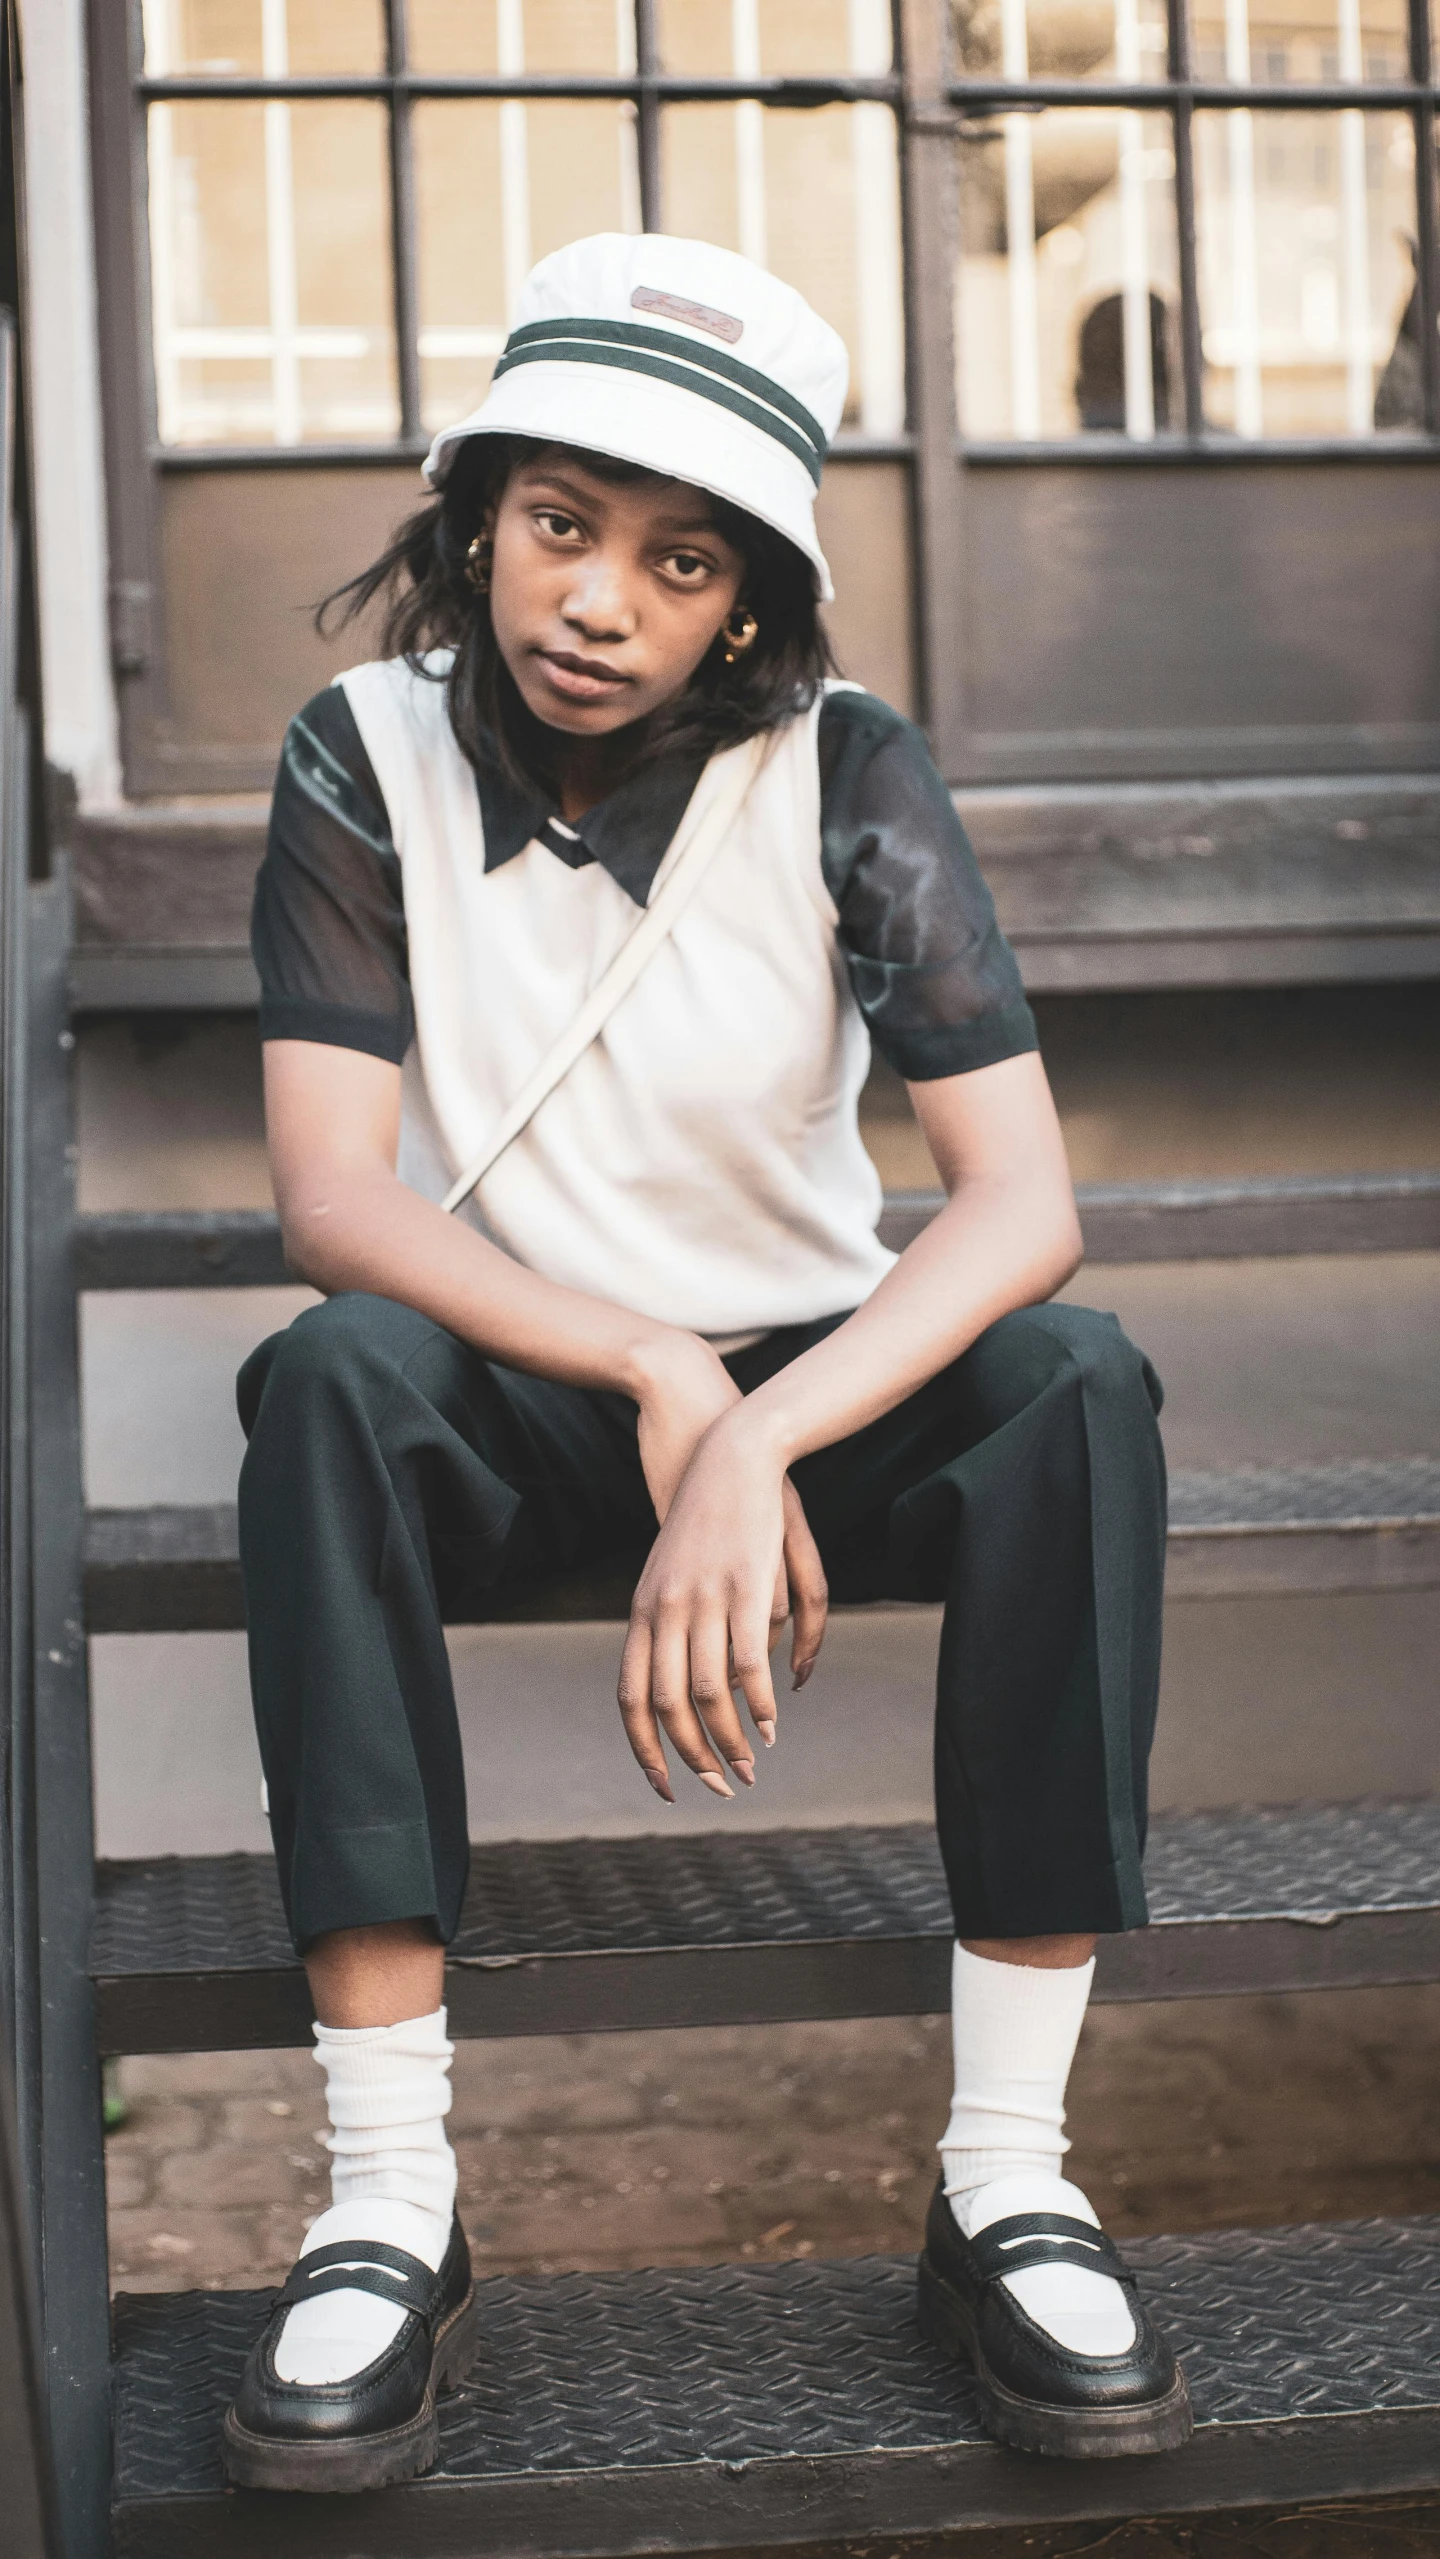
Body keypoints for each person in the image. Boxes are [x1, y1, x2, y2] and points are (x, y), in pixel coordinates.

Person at [221, 232, 1189, 2492]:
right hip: (536, 1376)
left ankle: (1010, 2172)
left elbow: (1021, 1205)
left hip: (806, 1395)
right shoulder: (356, 754)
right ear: (480, 520)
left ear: (742, 600)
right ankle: (386, 2195)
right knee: (324, 1381)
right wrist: (659, 1371)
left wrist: (756, 1417)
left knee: (1084, 1384)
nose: (597, 602)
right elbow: (340, 1198)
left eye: (678, 562)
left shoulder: (846, 769)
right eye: (561, 526)